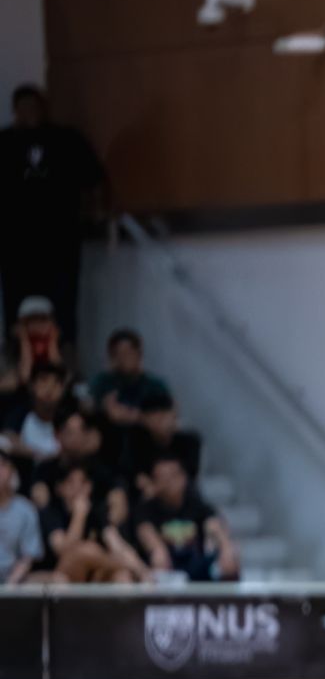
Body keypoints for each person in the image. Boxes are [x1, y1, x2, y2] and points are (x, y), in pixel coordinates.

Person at [0, 85, 106, 345]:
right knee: (17, 301)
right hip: (16, 240)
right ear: (15, 111)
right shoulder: (4, 142)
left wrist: (97, 211)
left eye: (34, 106)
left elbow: (94, 178)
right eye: (23, 107)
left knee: (63, 302)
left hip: (61, 237)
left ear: (43, 107)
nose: (29, 112)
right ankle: (19, 358)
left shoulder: (66, 139)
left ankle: (63, 357)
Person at [133, 452, 236, 581]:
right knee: (158, 559)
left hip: (195, 565)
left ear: (183, 478)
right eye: (162, 478)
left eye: (172, 476)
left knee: (229, 556)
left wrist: (226, 547)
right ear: (154, 482)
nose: (168, 483)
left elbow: (214, 525)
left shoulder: (196, 504)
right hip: (167, 568)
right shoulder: (147, 509)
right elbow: (146, 533)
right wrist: (158, 550)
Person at [87, 329, 168, 435]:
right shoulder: (102, 382)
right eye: (118, 354)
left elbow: (167, 419)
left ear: (139, 354)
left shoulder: (155, 385)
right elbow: (87, 408)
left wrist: (135, 417)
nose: (124, 359)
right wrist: (103, 409)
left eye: (128, 353)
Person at [120, 390, 200, 496]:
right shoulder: (134, 440)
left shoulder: (189, 442)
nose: (162, 421)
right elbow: (133, 475)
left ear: (174, 414)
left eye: (164, 415)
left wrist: (159, 486)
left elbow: (189, 477)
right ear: (143, 419)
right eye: (156, 416)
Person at [0, 458, 38, 584]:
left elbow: (28, 556)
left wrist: (9, 586)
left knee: (58, 580)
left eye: (2, 465)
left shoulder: (25, 509)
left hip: (15, 579)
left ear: (12, 471)